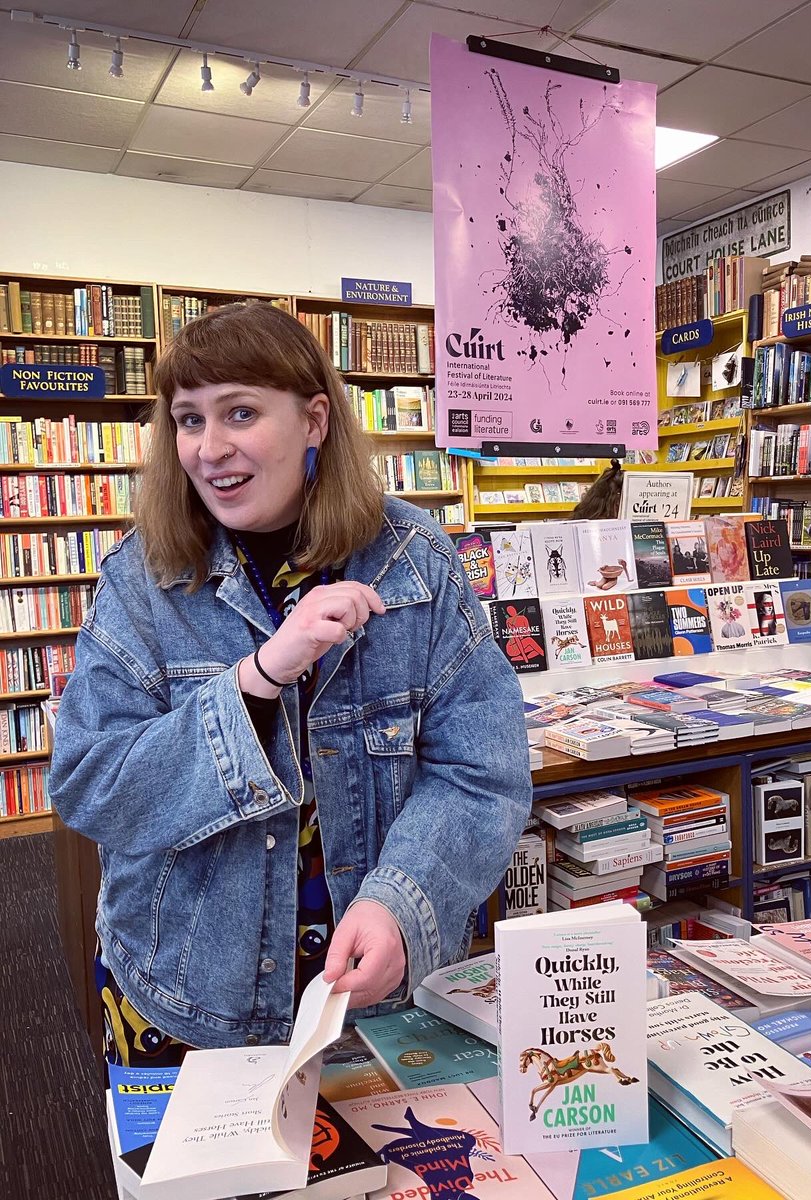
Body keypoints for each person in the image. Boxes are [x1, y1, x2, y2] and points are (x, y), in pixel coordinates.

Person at [49, 303, 532, 1065]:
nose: (210, 449)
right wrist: (259, 676)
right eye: (188, 419)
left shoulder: (415, 562)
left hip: (373, 1002)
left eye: (240, 412)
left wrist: (400, 901)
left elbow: (483, 772)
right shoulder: (143, 582)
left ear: (314, 420)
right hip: (189, 1002)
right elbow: (90, 784)